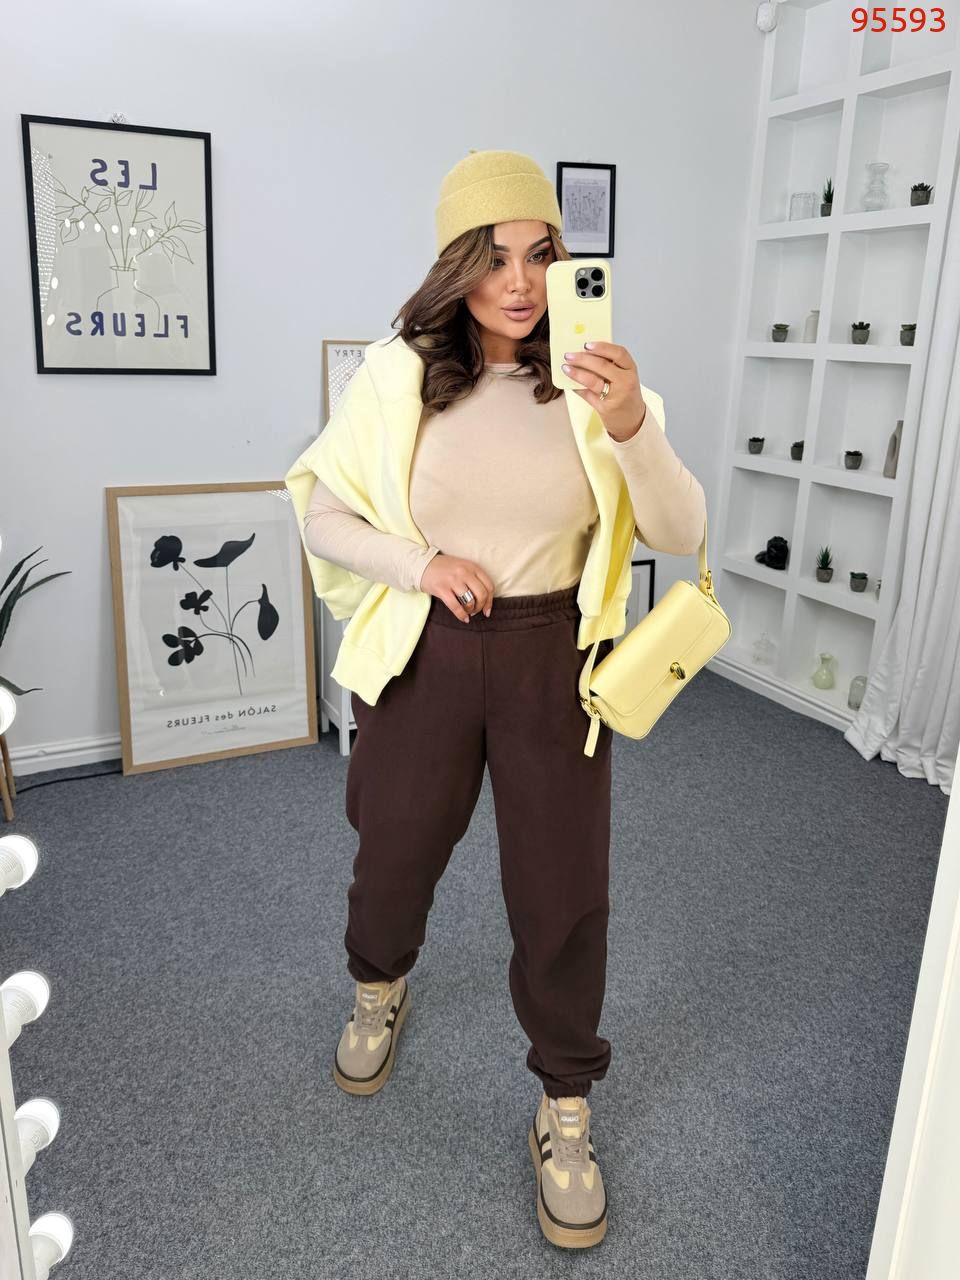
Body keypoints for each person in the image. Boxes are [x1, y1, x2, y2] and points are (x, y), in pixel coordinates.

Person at [286, 149, 706, 1249]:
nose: (519, 283)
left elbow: (681, 528)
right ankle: (379, 983)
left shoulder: (600, 382)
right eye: (493, 258)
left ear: (565, 264)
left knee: (563, 886)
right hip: (428, 645)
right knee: (394, 847)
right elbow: (322, 513)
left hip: (551, 656)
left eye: (540, 255)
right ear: (455, 265)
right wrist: (419, 564)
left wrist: (631, 421)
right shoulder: (397, 377)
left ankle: (565, 1102)